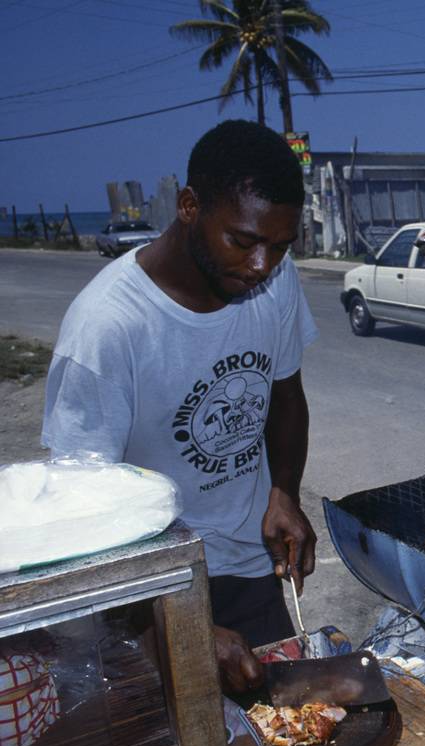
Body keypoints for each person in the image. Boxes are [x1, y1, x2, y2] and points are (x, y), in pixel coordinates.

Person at [42, 120, 319, 692]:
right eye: (242, 242)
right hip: (146, 585)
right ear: (189, 206)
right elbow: (76, 514)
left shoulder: (274, 276)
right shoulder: (107, 327)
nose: (262, 266)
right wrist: (174, 620)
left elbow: (285, 393)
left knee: (281, 737)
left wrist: (283, 492)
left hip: (248, 565)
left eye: (281, 245)